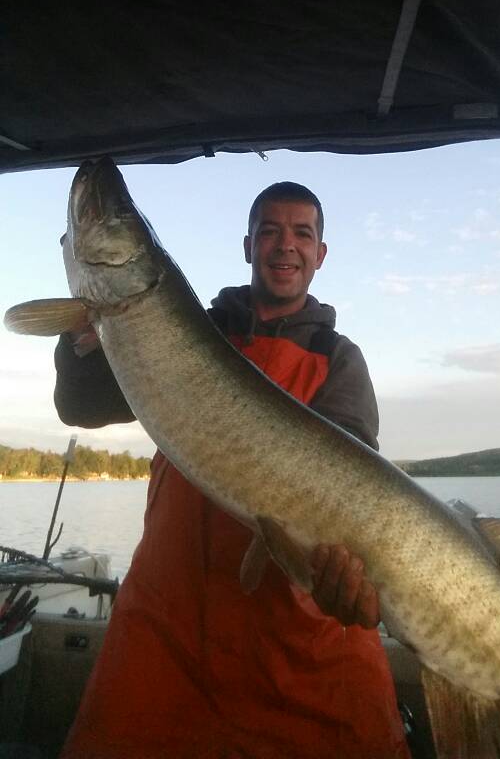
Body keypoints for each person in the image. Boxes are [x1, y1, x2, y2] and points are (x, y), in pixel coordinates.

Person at [54, 181, 410, 759]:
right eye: (270, 231)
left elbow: (345, 491)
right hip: (163, 631)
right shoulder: (180, 327)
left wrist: (350, 576)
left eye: (302, 233)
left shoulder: (338, 359)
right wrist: (80, 336)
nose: (285, 244)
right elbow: (82, 406)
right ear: (248, 246)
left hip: (291, 649)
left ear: (320, 254)